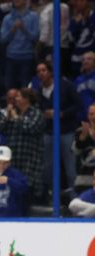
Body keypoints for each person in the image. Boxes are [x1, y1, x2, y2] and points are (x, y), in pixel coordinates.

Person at [29, 61, 80, 192]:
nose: (41, 73)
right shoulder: (39, 91)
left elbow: (78, 105)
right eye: (38, 71)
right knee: (47, 166)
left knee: (70, 166)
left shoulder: (65, 86)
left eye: (43, 70)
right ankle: (50, 195)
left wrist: (62, 113)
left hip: (66, 130)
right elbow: (37, 109)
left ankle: (74, 196)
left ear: (50, 72)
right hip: (48, 131)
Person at [0, 88, 45, 203]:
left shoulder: (36, 113)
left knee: (26, 191)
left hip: (29, 160)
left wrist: (16, 118)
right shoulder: (13, 113)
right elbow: (1, 129)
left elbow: (30, 128)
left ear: (26, 99)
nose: (15, 99)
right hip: (14, 159)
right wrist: (8, 117)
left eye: (18, 96)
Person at [0, 0, 39, 89]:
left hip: (27, 56)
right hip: (11, 56)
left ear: (26, 1)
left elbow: (35, 37)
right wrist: (13, 29)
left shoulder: (34, 17)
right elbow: (3, 39)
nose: (16, 0)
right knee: (9, 86)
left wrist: (23, 29)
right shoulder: (7, 18)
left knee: (25, 86)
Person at [0, 145, 29, 217]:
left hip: (14, 216)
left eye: (5, 162)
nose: (1, 165)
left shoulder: (15, 174)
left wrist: (8, 181)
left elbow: (24, 188)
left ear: (10, 162)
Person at [70, 0, 95, 76]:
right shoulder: (74, 19)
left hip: (90, 57)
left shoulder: (93, 17)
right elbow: (71, 39)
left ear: (87, 2)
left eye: (82, 0)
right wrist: (76, 25)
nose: (79, 3)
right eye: (78, 0)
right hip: (76, 57)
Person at [75, 51, 95, 120]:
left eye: (89, 59)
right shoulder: (78, 80)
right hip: (81, 119)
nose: (86, 61)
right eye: (83, 59)